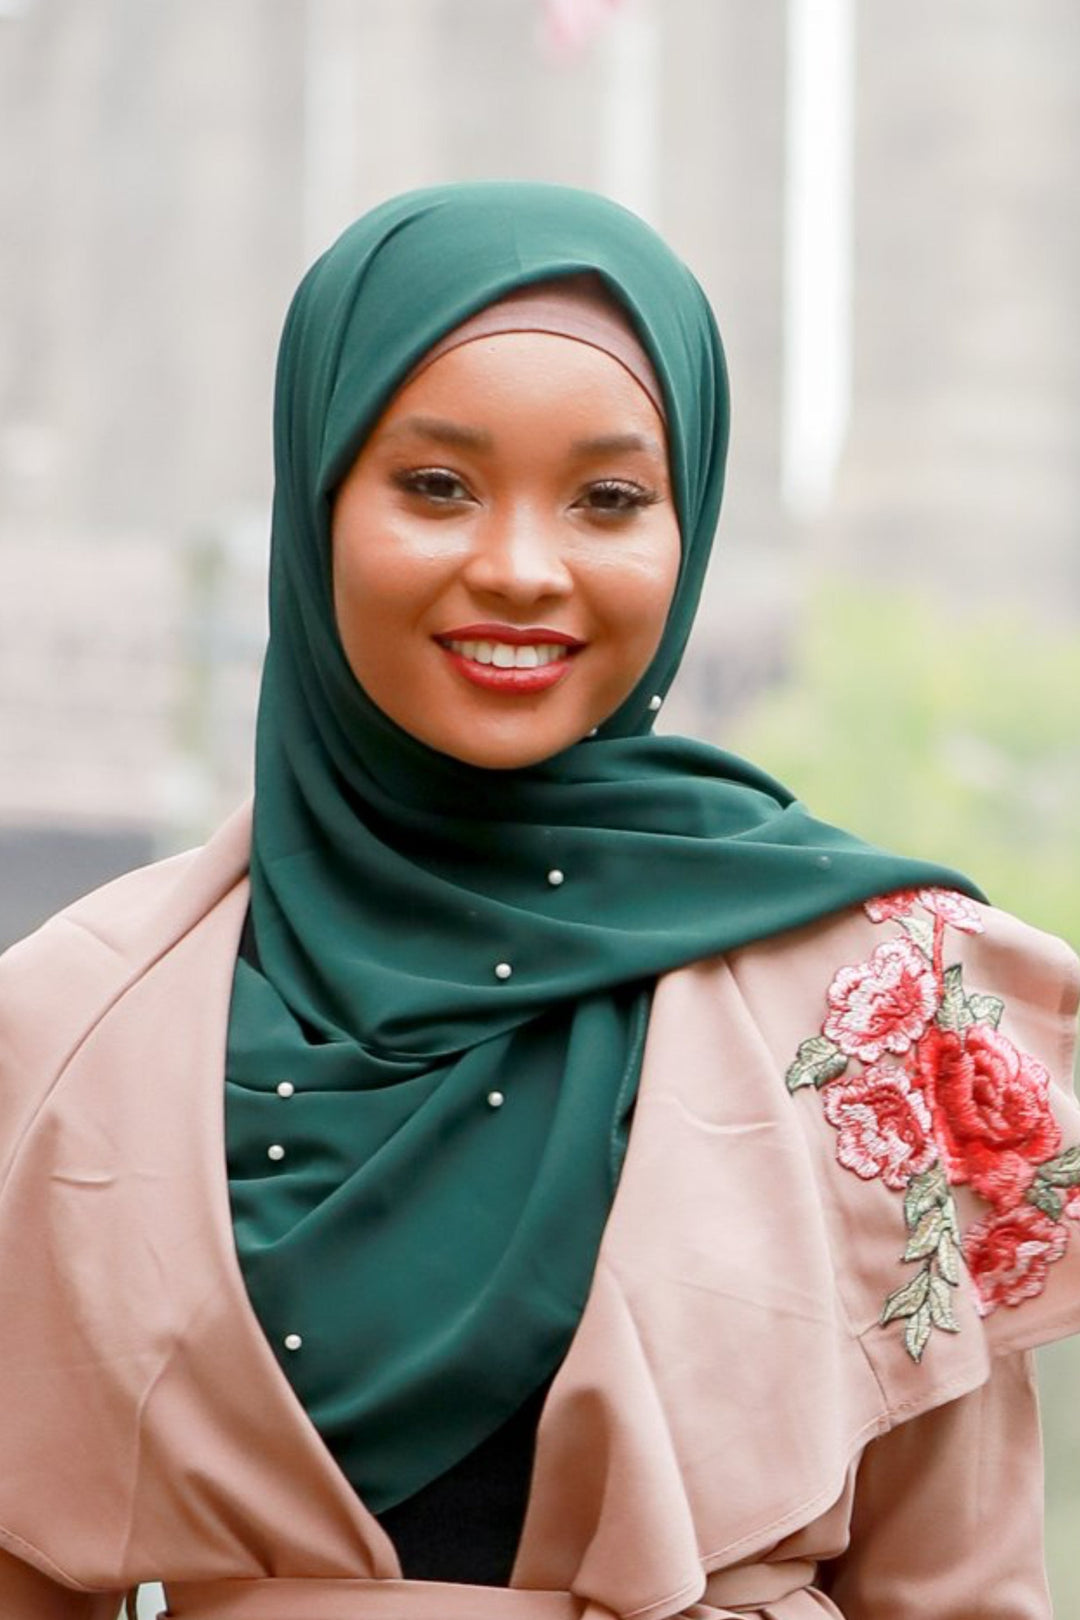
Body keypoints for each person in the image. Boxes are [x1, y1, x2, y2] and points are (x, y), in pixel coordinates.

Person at [0, 181, 1078, 1620]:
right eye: (437, 486)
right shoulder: (69, 1023)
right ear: (315, 505)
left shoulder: (877, 1005)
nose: (520, 568)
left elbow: (959, 1588)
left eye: (610, 499)